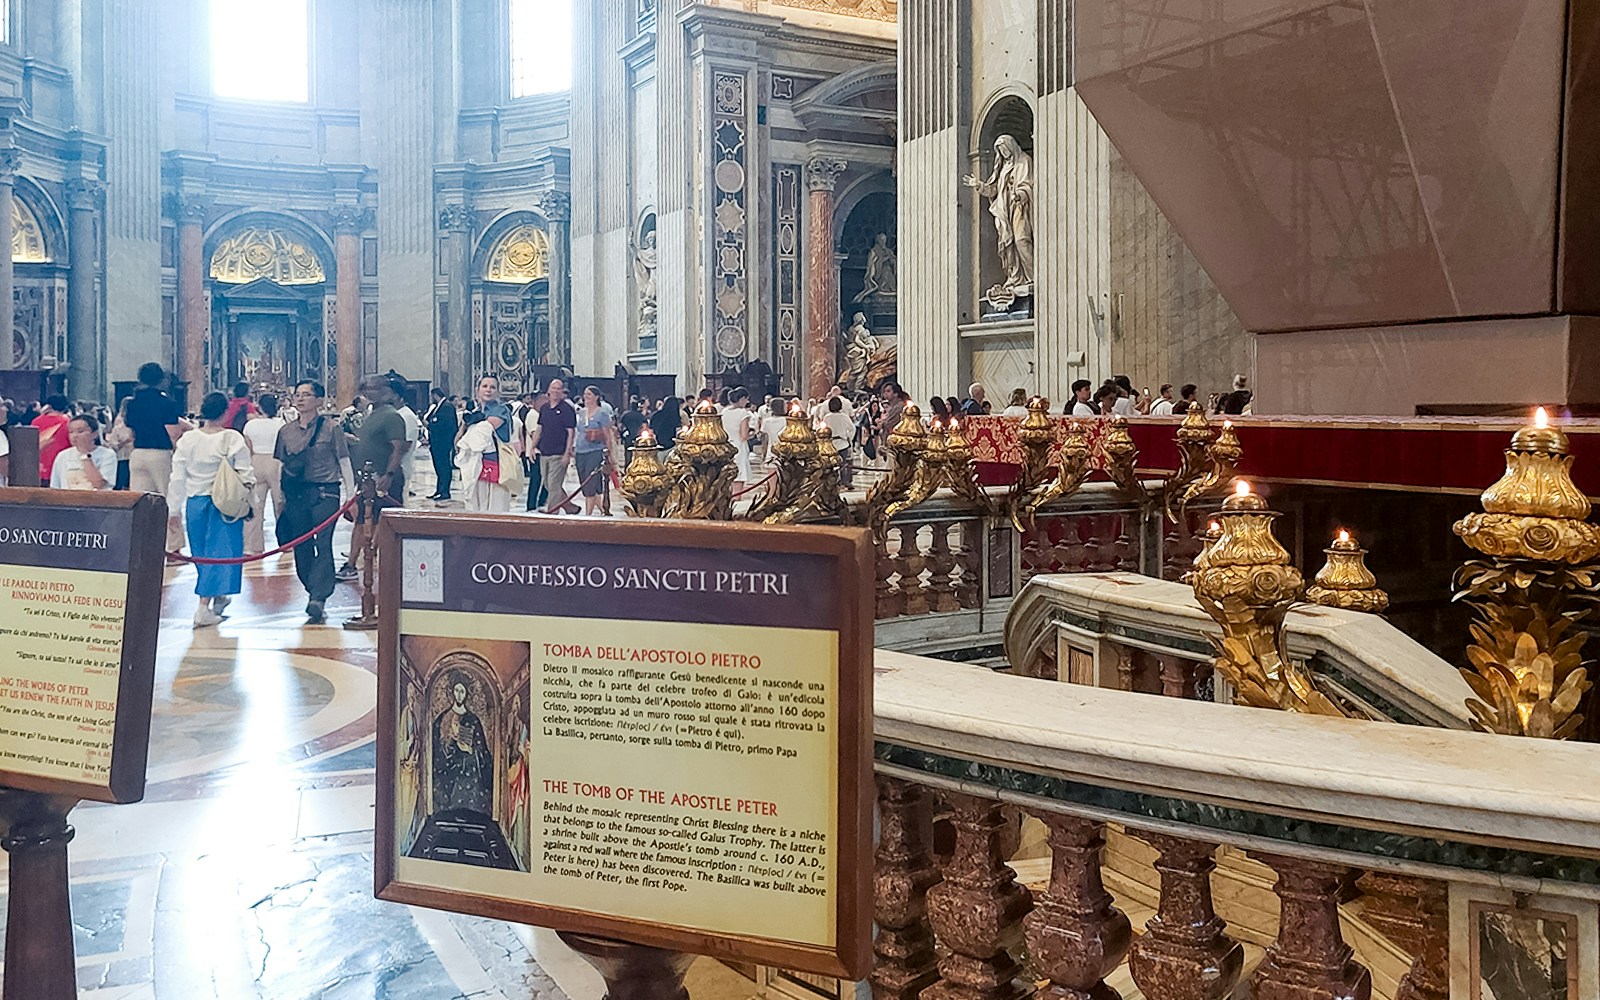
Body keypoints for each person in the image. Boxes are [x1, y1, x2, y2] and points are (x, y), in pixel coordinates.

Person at [168, 392, 255, 628]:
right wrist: (249, 501)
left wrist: (173, 509)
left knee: (202, 553)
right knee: (221, 553)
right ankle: (202, 608)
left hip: (195, 503)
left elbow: (177, 476)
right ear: (226, 412)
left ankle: (217, 596)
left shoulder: (187, 440)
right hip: (224, 502)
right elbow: (245, 473)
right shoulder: (232, 438)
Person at [276, 380, 355, 625]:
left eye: (307, 395)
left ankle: (319, 597)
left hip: (325, 492)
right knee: (301, 544)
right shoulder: (285, 432)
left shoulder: (332, 428)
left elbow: (344, 462)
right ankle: (312, 586)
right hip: (296, 495)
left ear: (319, 400)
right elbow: (282, 466)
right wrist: (279, 500)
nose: (301, 399)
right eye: (297, 394)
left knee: (323, 542)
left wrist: (351, 496)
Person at [124, 364, 189, 554]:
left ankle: (141, 545)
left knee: (141, 502)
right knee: (168, 500)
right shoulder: (166, 402)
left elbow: (130, 429)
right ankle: (173, 546)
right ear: (162, 379)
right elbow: (173, 432)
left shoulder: (132, 402)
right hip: (159, 453)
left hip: (138, 453)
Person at [462, 374, 515, 513]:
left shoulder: (501, 410)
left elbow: (484, 430)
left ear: (497, 391)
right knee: (476, 503)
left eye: (492, 387)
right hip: (476, 463)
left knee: (495, 506)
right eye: (484, 386)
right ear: (477, 389)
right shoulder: (477, 411)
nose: (488, 390)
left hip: (495, 464)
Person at [242, 395, 286, 556]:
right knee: (280, 503)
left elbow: (248, 447)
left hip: (256, 461)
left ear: (259, 407)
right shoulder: (280, 423)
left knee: (255, 505)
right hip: (275, 461)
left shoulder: (250, 425)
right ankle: (286, 542)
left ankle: (252, 546)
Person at [536, 378, 578, 514]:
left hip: (559, 453)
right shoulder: (544, 408)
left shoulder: (566, 409)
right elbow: (539, 429)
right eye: (553, 388)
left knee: (554, 485)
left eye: (558, 388)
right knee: (548, 484)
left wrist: (567, 453)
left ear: (562, 392)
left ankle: (552, 512)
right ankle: (569, 506)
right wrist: (532, 447)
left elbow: (571, 432)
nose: (555, 391)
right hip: (544, 451)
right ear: (548, 390)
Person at [574, 385, 615, 516]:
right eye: (585, 394)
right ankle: (603, 509)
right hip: (581, 450)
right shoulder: (580, 413)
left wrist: (609, 452)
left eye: (589, 394)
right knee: (584, 481)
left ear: (596, 397)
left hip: (595, 451)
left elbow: (607, 435)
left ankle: (588, 515)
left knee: (590, 483)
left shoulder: (601, 413)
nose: (586, 396)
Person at [49, 414, 117, 491]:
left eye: (80, 431)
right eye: (71, 432)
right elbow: (55, 486)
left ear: (95, 434)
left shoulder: (107, 455)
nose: (75, 436)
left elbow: (99, 484)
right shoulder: (62, 455)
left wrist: (85, 454)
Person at [423, 389, 457, 501]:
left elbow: (445, 424)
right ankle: (439, 490)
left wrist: (431, 425)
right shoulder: (440, 406)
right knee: (439, 466)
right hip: (437, 441)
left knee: (444, 467)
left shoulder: (446, 407)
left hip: (443, 441)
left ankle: (444, 491)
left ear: (435, 395)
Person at [32, 394, 73, 483]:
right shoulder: (67, 423)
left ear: (49, 405)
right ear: (65, 407)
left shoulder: (36, 421)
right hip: (60, 465)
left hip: (39, 465)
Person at [720, 387, 752, 484]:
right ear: (742, 399)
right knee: (739, 474)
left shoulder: (724, 411)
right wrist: (752, 434)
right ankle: (737, 497)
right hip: (739, 446)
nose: (747, 402)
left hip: (726, 445)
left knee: (728, 475)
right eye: (746, 399)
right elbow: (744, 436)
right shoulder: (743, 413)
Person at [823, 395, 854, 488]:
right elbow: (852, 428)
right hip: (842, 443)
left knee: (830, 465)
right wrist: (849, 438)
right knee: (843, 464)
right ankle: (845, 481)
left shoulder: (827, 417)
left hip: (830, 444)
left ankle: (831, 482)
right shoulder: (844, 417)